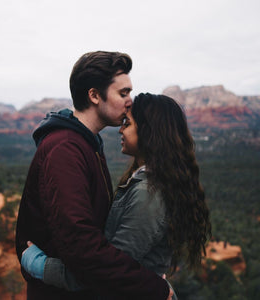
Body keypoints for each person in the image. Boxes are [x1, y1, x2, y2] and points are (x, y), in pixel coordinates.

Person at [21, 93, 212, 299]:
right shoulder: (145, 183)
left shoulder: (148, 195)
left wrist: (41, 266)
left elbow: (107, 271)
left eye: (127, 124)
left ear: (150, 133)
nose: (120, 129)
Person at [15, 52, 172, 299]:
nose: (130, 101)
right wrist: (155, 288)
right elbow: (83, 248)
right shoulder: (65, 150)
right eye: (123, 93)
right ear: (94, 95)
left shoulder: (87, 144)